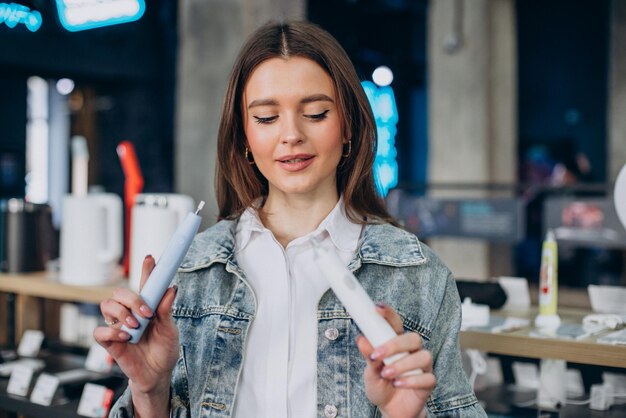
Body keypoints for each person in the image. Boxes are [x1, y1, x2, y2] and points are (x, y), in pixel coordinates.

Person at [95, 20, 486, 418]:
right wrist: (149, 393)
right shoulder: (190, 272)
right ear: (244, 136)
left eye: (315, 113)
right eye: (266, 118)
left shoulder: (421, 278)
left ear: (348, 124)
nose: (291, 135)